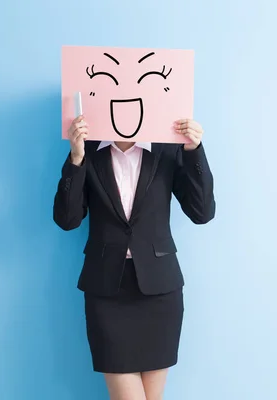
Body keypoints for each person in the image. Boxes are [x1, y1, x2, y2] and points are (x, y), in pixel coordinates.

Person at [53, 115, 216, 400]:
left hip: (159, 290)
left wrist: (193, 150)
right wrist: (76, 159)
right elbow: (68, 220)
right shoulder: (88, 149)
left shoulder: (167, 147)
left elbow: (202, 212)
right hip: (106, 290)